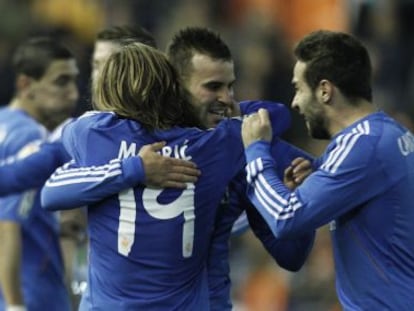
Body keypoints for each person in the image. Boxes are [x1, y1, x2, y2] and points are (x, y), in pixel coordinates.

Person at [42, 26, 315, 310]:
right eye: (213, 87)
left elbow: (291, 256)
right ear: (176, 87)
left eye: (230, 87)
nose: (227, 99)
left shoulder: (96, 134)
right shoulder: (225, 147)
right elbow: (278, 115)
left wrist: (296, 195)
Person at [241, 30, 414, 309]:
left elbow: (286, 218)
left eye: (298, 88)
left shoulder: (364, 145)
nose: (294, 102)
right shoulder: (386, 135)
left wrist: (256, 151)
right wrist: (315, 174)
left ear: (324, 90)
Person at [0, 37, 79, 311]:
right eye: (61, 82)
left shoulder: (2, 122)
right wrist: (16, 305)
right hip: (31, 293)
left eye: (74, 81)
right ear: (25, 85)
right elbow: (8, 224)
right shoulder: (30, 137)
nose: (73, 93)